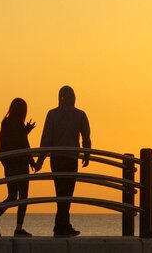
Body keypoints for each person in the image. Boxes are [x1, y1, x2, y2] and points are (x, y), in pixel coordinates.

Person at [35, 85, 91, 237]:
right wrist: (86, 155)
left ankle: (61, 225)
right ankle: (62, 225)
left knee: (60, 192)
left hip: (56, 158)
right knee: (67, 194)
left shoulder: (52, 114)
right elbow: (86, 136)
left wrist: (40, 160)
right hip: (71, 158)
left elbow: (46, 139)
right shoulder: (80, 115)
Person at [0, 98, 36, 237]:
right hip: (20, 164)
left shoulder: (5, 122)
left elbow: (11, 141)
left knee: (12, 196)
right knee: (23, 197)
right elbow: (23, 145)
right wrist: (32, 161)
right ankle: (19, 228)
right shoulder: (19, 125)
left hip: (8, 164)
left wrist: (26, 130)